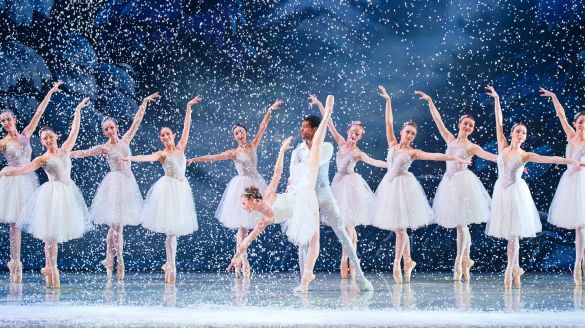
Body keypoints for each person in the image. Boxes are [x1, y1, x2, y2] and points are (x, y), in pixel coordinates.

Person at [227, 95, 335, 293]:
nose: (243, 207)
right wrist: (237, 257)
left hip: (300, 194)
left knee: (316, 151)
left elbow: (277, 174)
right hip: (300, 198)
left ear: (253, 200)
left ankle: (326, 114)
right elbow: (247, 241)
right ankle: (306, 278)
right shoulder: (263, 218)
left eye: (244, 204)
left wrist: (282, 150)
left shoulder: (267, 199)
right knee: (313, 238)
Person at [485, 85, 581, 289]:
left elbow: (548, 158)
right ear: (512, 133)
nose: (521, 135)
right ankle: (515, 268)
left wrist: (569, 162)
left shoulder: (525, 155)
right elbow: (498, 121)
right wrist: (496, 99)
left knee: (515, 234)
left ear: (525, 138)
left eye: (524, 133)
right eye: (518, 131)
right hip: (501, 193)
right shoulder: (502, 145)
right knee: (509, 234)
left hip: (516, 193)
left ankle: (511, 269)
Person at [371, 86, 469, 284]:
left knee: (400, 229)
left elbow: (435, 155)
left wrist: (453, 157)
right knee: (399, 229)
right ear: (402, 132)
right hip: (389, 188)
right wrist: (388, 101)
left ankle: (397, 264)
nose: (409, 136)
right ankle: (408, 261)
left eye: (412, 135)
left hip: (403, 189)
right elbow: (388, 121)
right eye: (407, 132)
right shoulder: (392, 143)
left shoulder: (413, 152)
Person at [0, 97, 92, 288]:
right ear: (42, 142)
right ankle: (51, 269)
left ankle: (50, 269)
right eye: (45, 139)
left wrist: (77, 111)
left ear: (56, 137)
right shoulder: (42, 158)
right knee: (49, 235)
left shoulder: (65, 149)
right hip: (51, 195)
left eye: (51, 137)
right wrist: (7, 173)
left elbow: (74, 131)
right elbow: (24, 169)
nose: (49, 140)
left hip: (67, 194)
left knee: (56, 235)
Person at [187, 100, 282, 278]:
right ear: (234, 137)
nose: (239, 135)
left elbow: (263, 127)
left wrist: (269, 110)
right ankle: (243, 261)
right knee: (242, 227)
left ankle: (240, 259)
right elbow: (213, 157)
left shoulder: (253, 145)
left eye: (241, 132)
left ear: (246, 133)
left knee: (257, 223)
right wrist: (196, 159)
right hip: (242, 189)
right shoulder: (233, 153)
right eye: (236, 133)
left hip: (256, 186)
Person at [71, 92, 160, 280]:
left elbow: (136, 121)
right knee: (115, 226)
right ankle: (119, 260)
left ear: (116, 127)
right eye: (106, 129)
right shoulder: (105, 147)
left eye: (111, 128)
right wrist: (66, 153)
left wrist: (144, 102)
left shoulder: (125, 139)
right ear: (104, 132)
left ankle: (110, 258)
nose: (109, 131)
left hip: (127, 184)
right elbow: (85, 152)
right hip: (113, 184)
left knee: (116, 227)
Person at [415, 90, 496, 281]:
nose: (467, 127)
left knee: (462, 225)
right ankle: (466, 260)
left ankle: (459, 261)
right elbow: (438, 121)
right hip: (449, 184)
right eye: (465, 124)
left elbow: (492, 156)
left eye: (471, 126)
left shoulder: (471, 147)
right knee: (460, 226)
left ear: (472, 129)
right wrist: (430, 101)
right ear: (459, 124)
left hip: (464, 184)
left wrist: (511, 161)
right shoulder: (450, 140)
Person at [124, 95, 202, 284]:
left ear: (172, 135)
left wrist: (189, 107)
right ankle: (171, 263)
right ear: (161, 139)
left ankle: (170, 263)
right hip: (167, 190)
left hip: (181, 190)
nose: (165, 137)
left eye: (167, 134)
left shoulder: (180, 148)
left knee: (174, 230)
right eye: (162, 135)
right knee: (170, 230)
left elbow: (187, 128)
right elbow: (146, 157)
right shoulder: (162, 154)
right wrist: (130, 159)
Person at [308, 95, 387, 279]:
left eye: (358, 134)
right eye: (353, 131)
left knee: (349, 225)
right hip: (338, 183)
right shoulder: (341, 142)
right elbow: (329, 123)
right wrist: (320, 104)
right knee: (345, 225)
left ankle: (347, 259)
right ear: (349, 131)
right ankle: (349, 257)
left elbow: (373, 161)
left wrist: (390, 164)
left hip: (351, 186)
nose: (354, 135)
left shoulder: (357, 152)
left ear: (360, 137)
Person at [0, 81, 62, 283]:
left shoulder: (26, 134)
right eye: (2, 121)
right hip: (12, 180)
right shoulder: (3, 143)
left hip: (28, 179)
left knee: (40, 218)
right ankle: (15, 264)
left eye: (8, 119)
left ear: (14, 119)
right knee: (15, 224)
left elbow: (39, 111)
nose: (6, 123)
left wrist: (51, 92)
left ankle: (49, 265)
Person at [540, 88, 585, 286]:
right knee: (578, 227)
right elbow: (561, 115)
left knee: (583, 227)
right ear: (575, 124)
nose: (583, 125)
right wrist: (555, 97)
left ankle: (581, 262)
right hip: (570, 183)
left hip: (582, 180)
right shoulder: (570, 135)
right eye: (580, 122)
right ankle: (577, 265)